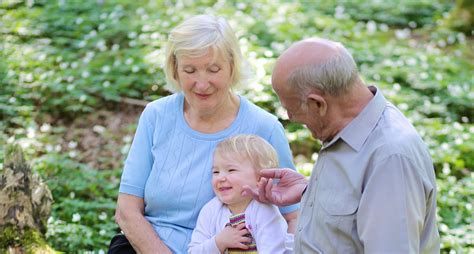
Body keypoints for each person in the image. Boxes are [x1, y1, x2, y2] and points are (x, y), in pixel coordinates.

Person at [111, 15, 298, 253]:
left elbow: (293, 216)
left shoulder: (265, 127)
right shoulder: (156, 116)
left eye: (213, 69)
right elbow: (127, 210)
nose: (201, 84)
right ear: (175, 70)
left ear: (232, 66)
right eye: (189, 70)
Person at [243, 38, 440, 253]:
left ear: (318, 103)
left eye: (291, 109)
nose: (291, 117)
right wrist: (310, 191)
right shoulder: (348, 128)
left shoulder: (390, 159)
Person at [188, 134, 293, 254]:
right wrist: (219, 242)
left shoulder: (264, 210)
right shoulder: (210, 210)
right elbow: (193, 251)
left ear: (260, 177)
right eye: (215, 172)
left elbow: (273, 251)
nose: (220, 178)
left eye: (231, 170)